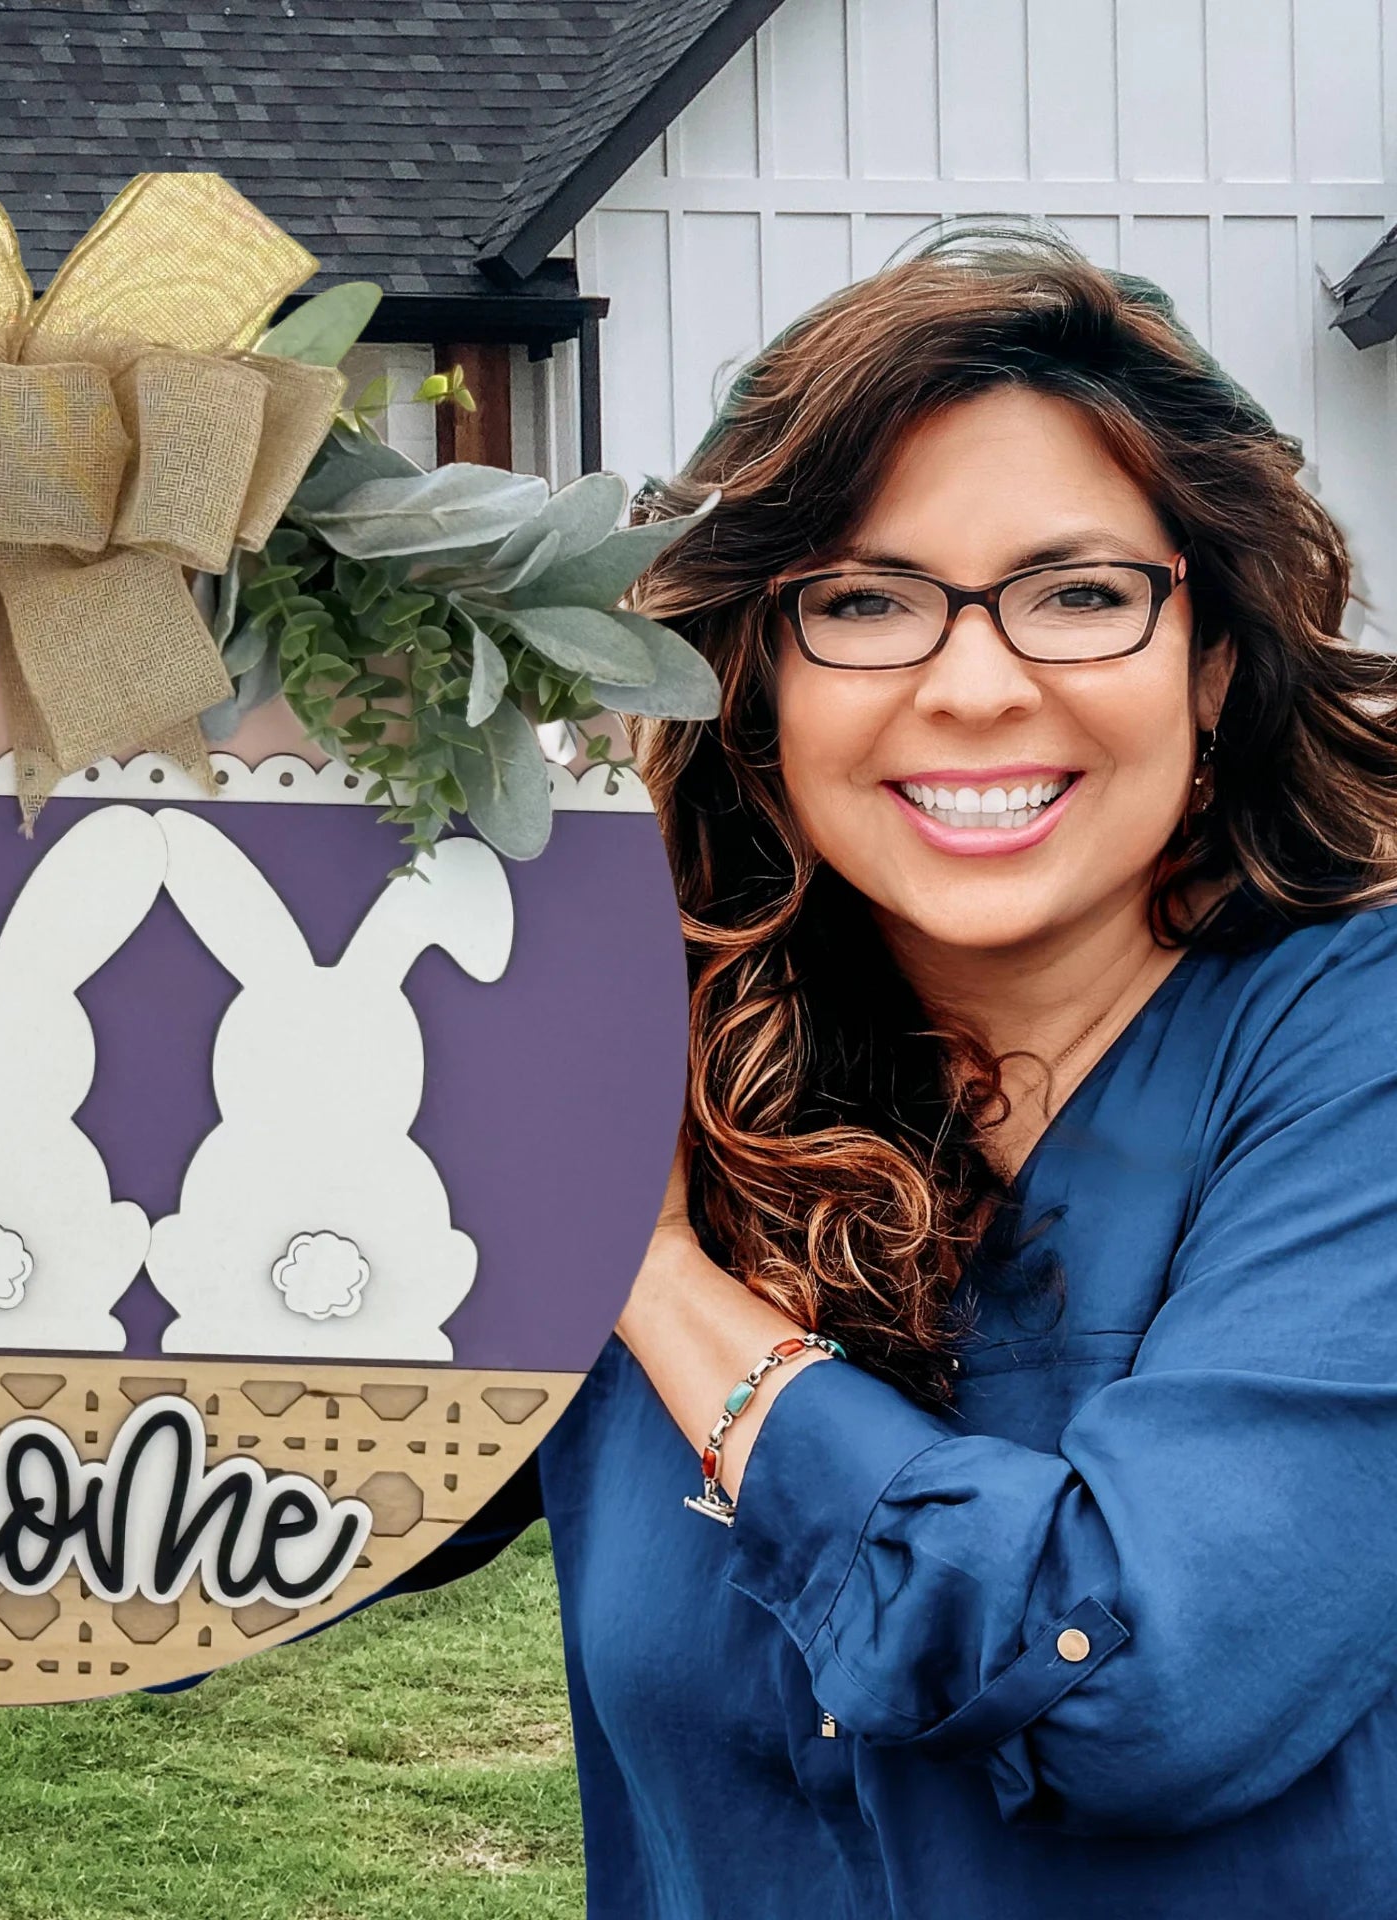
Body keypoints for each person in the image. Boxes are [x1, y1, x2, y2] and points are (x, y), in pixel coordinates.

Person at [535, 230, 1397, 1915]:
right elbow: (227, 1546)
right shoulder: (654, 1054)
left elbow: (1139, 1685)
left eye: (1079, 595)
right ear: (754, 681)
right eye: (864, 601)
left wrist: (648, 1272)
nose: (978, 685)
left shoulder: (1353, 1053)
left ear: (1210, 662)